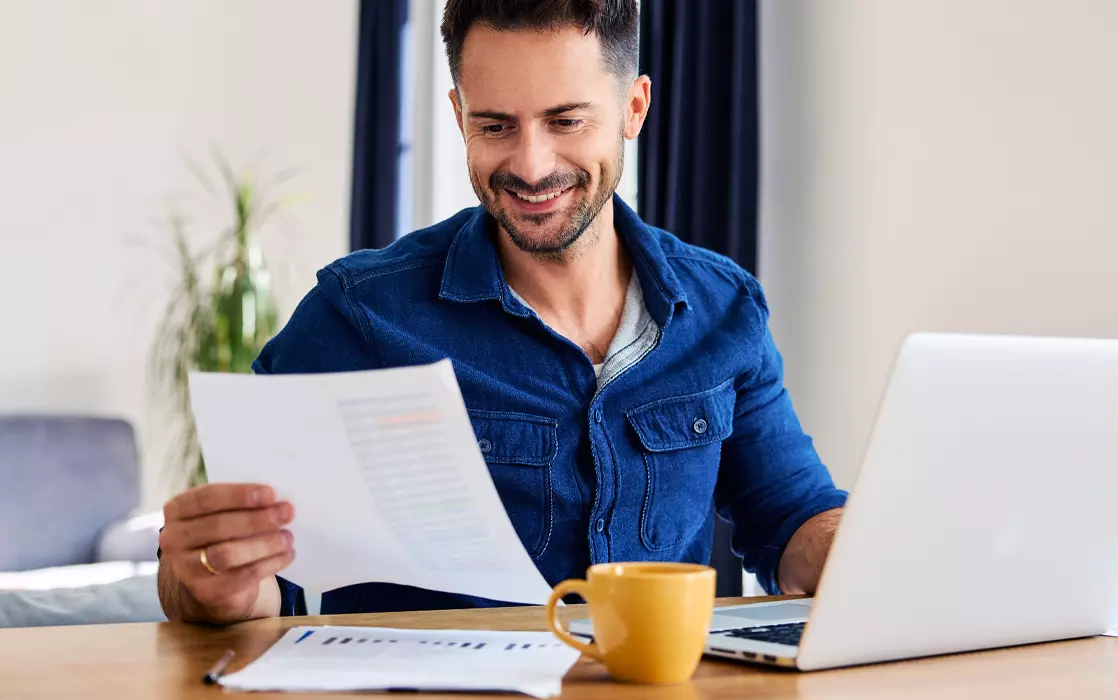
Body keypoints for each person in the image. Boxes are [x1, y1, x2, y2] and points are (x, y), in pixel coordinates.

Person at [157, 0, 847, 625]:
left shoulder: (724, 307)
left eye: (565, 121)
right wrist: (217, 584)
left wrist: (857, 549)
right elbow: (239, 571)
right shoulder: (358, 315)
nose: (530, 164)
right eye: (494, 126)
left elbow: (791, 521)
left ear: (633, 108)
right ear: (458, 115)